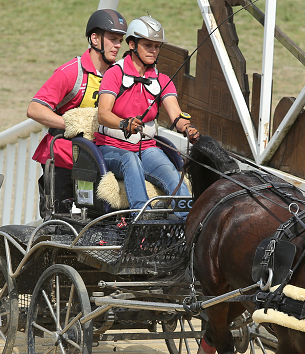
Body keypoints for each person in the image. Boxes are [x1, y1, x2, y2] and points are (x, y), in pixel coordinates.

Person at [95, 15, 199, 219]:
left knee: (172, 175)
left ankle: (187, 225)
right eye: (148, 45)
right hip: (111, 148)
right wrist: (124, 123)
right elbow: (103, 114)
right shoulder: (114, 74)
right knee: (130, 159)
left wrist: (188, 128)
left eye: (157, 46)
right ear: (132, 44)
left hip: (147, 148)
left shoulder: (163, 80)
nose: (154, 50)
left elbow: (176, 116)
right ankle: (142, 219)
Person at [27, 9, 127, 218]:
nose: (118, 45)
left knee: (99, 224)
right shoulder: (72, 71)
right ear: (94, 39)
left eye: (120, 40)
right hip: (62, 159)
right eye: (112, 39)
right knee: (56, 224)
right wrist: (72, 123)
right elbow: (34, 109)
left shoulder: (118, 74)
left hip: (97, 162)